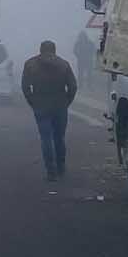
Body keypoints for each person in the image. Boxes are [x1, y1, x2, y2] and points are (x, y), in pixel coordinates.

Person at [22, 39, 79, 181]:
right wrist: (67, 102)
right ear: (54, 50)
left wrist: (32, 102)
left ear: (40, 50)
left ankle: (50, 171)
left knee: (46, 138)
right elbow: (73, 86)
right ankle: (61, 166)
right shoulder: (64, 65)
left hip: (40, 104)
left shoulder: (30, 64)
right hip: (59, 105)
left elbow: (25, 87)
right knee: (59, 137)